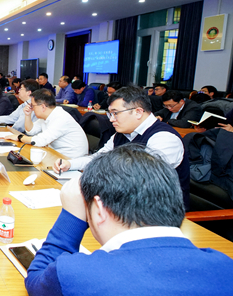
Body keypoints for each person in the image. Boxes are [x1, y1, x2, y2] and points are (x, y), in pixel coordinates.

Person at [25, 145, 233, 296]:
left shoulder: (78, 274)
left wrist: (71, 215)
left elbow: (37, 277)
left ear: (99, 209)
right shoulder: (226, 266)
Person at [54, 86, 190, 209]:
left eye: (116, 113)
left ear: (138, 112)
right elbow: (99, 158)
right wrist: (70, 164)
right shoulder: (123, 133)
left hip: (158, 211)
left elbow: (141, 179)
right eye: (110, 114)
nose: (111, 119)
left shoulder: (164, 138)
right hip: (126, 203)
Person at [17, 89, 88, 158]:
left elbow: (41, 141)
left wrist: (19, 137)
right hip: (56, 154)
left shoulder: (61, 118)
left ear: (43, 107)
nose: (31, 108)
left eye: (33, 106)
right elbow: (30, 131)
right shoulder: (46, 116)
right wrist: (27, 115)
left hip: (70, 159)